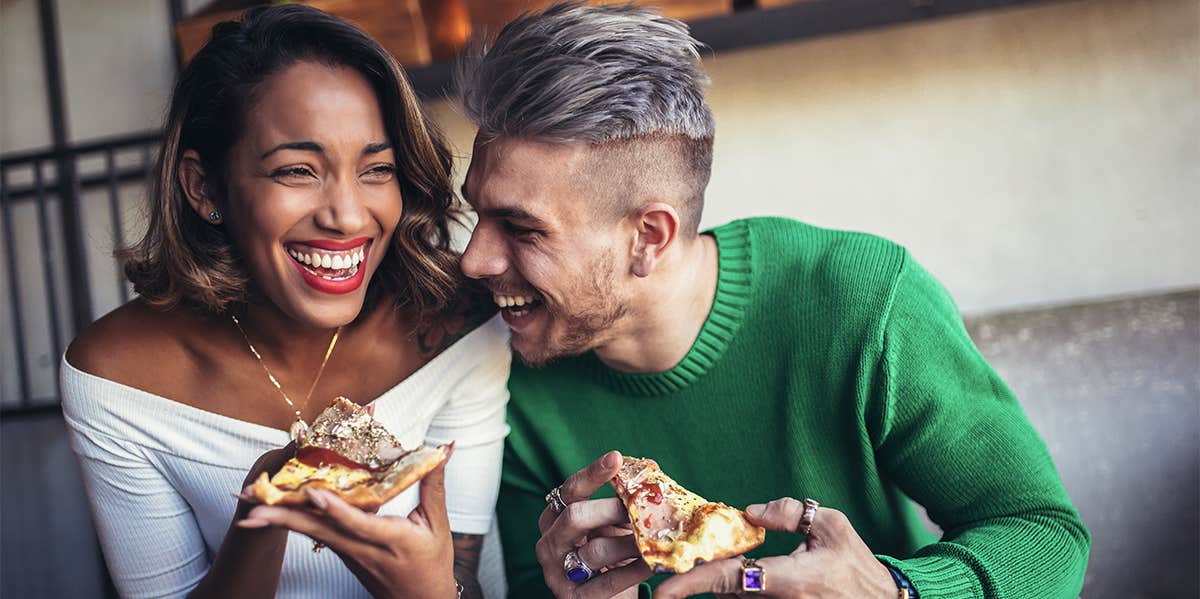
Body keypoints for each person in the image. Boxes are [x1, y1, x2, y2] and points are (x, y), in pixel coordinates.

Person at [452, 3, 1090, 598]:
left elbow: (1047, 536)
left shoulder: (858, 297)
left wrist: (895, 591)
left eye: (522, 228)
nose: (474, 260)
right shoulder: (502, 365)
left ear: (648, 237)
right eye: (477, 213)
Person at [61, 6, 508, 598]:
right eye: (297, 170)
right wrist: (262, 512)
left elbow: (466, 582)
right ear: (204, 187)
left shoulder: (456, 320)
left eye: (377, 169)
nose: (347, 216)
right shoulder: (116, 375)